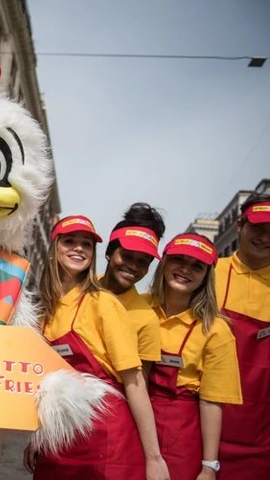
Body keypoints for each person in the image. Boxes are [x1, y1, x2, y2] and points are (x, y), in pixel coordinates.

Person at [25, 215, 169, 480]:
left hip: (105, 436)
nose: (79, 248)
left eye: (87, 244)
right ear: (54, 247)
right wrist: (38, 436)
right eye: (70, 241)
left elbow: (135, 382)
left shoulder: (104, 303)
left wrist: (154, 457)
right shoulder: (44, 310)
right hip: (59, 439)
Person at [147, 233, 242, 480]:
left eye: (197, 266)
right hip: (132, 426)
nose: (185, 270)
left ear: (206, 277)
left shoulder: (216, 330)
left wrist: (209, 466)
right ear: (164, 261)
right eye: (178, 259)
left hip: (182, 438)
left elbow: (211, 402)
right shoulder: (137, 307)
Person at [216, 195, 270, 479]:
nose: (264, 238)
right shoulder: (210, 273)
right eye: (258, 228)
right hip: (208, 421)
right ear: (240, 226)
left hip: (262, 433)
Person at [100, 203, 166, 372]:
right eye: (127, 256)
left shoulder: (147, 320)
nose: (133, 267)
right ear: (109, 253)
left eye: (143, 262)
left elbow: (138, 383)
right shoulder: (78, 289)